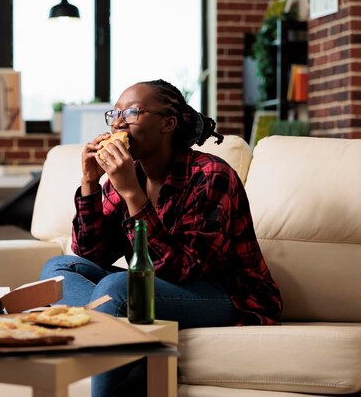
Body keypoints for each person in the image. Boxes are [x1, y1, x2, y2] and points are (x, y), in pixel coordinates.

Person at [39, 79, 282, 397]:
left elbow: (184, 269)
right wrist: (89, 182)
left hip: (227, 295)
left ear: (168, 123)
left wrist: (132, 194)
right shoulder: (127, 174)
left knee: (120, 288)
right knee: (59, 270)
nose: (119, 122)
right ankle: (122, 333)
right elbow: (90, 253)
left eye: (133, 112)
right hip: (159, 287)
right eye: (115, 113)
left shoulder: (211, 176)